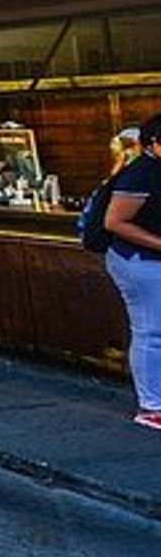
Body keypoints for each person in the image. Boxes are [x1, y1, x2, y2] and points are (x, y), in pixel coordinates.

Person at [104, 114, 161, 432]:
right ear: (154, 143)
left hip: (149, 259)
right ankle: (151, 406)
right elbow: (115, 222)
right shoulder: (141, 174)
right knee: (152, 331)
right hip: (140, 261)